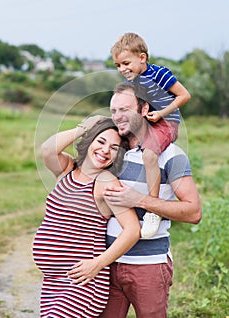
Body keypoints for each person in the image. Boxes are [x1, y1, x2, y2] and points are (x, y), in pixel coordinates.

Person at [99, 82, 202, 318]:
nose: (117, 117)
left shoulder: (171, 156)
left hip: (149, 266)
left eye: (124, 109)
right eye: (113, 111)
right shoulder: (111, 151)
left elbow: (193, 212)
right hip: (108, 264)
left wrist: (140, 200)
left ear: (144, 109)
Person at [32, 117, 142, 318]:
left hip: (83, 283)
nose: (105, 150)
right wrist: (84, 127)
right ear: (89, 140)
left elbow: (133, 230)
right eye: (100, 142)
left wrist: (97, 264)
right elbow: (47, 149)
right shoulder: (67, 169)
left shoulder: (106, 181)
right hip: (53, 282)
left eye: (114, 148)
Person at [110, 32, 192, 238]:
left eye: (126, 63)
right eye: (118, 66)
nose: (122, 69)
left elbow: (184, 95)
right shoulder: (134, 82)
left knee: (148, 155)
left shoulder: (160, 74)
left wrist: (162, 113)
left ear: (142, 58)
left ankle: (152, 211)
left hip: (167, 121)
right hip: (150, 120)